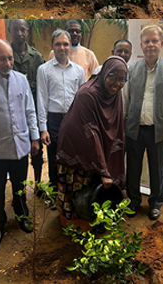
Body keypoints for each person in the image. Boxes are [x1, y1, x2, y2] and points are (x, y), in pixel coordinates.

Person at [0, 39, 41, 245]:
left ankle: (22, 215)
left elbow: (30, 111)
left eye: (10, 58)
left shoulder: (21, 80)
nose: (7, 62)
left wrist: (35, 137)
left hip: (20, 146)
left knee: (20, 186)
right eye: (2, 58)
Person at [53, 56, 129, 228]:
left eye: (122, 79)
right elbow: (90, 133)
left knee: (96, 188)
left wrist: (110, 162)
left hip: (97, 143)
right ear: (104, 74)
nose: (117, 83)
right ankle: (73, 224)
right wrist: (103, 170)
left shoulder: (115, 94)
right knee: (79, 187)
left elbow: (116, 127)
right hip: (77, 145)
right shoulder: (87, 94)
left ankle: (93, 222)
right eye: (113, 76)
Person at [124, 25, 163, 220]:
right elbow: (125, 101)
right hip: (134, 129)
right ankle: (133, 201)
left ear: (161, 44)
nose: (150, 45)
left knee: (158, 169)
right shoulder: (131, 69)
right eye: (147, 41)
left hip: (159, 130)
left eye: (154, 41)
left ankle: (156, 203)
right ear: (141, 45)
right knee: (133, 168)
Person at [36, 30, 87, 203]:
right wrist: (43, 129)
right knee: (54, 158)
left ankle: (70, 192)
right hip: (54, 120)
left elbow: (82, 100)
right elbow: (41, 99)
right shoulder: (43, 70)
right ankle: (54, 193)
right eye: (58, 44)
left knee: (72, 157)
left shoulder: (79, 71)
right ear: (52, 46)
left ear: (70, 47)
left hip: (73, 121)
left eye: (65, 44)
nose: (62, 47)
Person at [7, 19, 46, 184]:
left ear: (28, 31)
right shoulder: (5, 55)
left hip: (34, 112)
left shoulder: (36, 57)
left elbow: (42, 86)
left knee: (37, 151)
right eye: (16, 30)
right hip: (12, 112)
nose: (19, 34)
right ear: (10, 30)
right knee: (16, 153)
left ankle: (37, 183)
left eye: (23, 30)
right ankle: (19, 187)